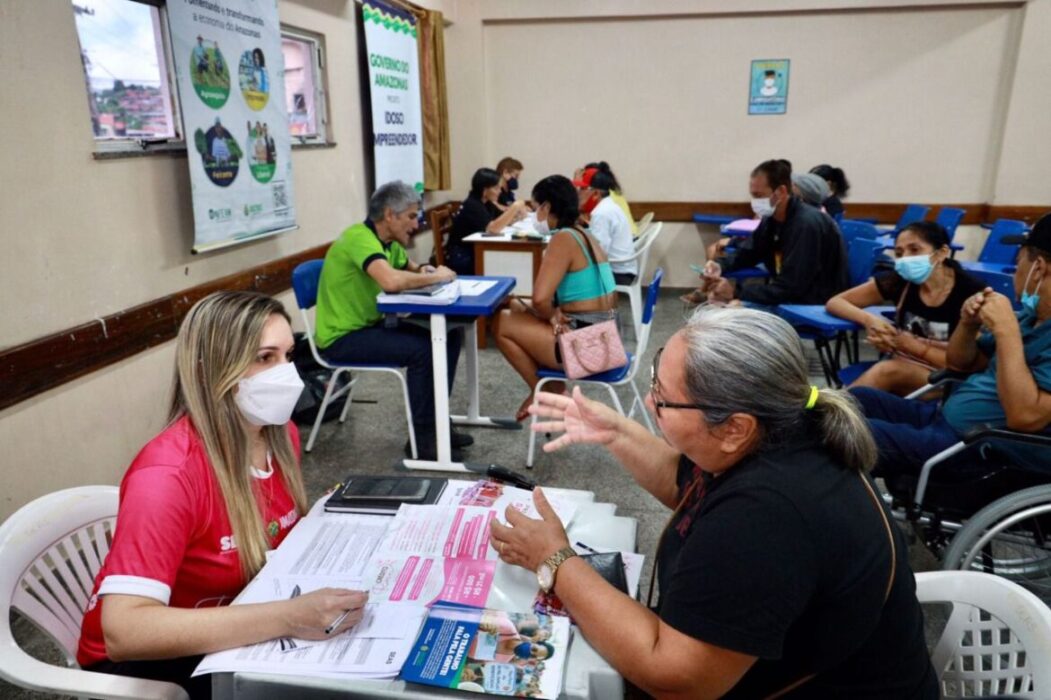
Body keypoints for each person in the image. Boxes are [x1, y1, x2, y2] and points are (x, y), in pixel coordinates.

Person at [491, 306, 938, 698]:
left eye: (663, 399)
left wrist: (556, 560)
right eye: (654, 380)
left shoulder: (767, 515)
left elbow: (675, 677)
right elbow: (683, 484)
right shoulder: (785, 426)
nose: (649, 401)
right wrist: (616, 432)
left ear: (733, 428)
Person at [76, 292, 369, 698]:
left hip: (240, 613)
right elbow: (126, 632)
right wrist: (289, 617)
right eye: (265, 358)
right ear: (214, 369)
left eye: (288, 355)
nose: (287, 375)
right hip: (148, 665)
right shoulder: (167, 476)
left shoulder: (281, 435)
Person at [852, 212, 1051, 478]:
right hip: (944, 421)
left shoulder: (1017, 326)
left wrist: (1006, 331)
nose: (1016, 273)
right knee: (854, 401)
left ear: (1038, 268)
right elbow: (960, 363)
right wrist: (967, 324)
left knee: (838, 435)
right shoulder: (1030, 318)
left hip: (975, 450)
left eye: (1018, 264)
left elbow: (1025, 416)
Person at [314, 181, 472, 461]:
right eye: (411, 216)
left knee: (449, 334)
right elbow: (392, 280)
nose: (416, 223)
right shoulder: (358, 238)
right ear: (389, 215)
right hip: (342, 338)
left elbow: (411, 270)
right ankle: (423, 441)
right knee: (423, 351)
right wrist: (436, 277)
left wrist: (427, 270)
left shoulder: (388, 244)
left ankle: (438, 424)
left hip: (369, 326)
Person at [494, 175, 618, 422]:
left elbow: (541, 299)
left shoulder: (562, 238)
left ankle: (543, 391)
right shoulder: (585, 234)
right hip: (607, 339)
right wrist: (541, 311)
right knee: (516, 310)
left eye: (535, 207)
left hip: (587, 347)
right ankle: (551, 389)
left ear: (547, 207)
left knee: (501, 323)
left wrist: (549, 316)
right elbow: (560, 302)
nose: (534, 215)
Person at [827, 221, 986, 395]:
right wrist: (871, 321)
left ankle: (833, 415)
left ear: (941, 253)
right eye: (899, 253)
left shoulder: (970, 295)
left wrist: (912, 347)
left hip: (946, 378)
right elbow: (836, 302)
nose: (906, 259)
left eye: (915, 250)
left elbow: (969, 365)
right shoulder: (900, 282)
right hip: (904, 365)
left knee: (885, 373)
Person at [705, 159, 849, 307]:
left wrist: (736, 291)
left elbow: (792, 287)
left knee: (732, 311)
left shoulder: (806, 225)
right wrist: (720, 266)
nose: (755, 202)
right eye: (753, 195)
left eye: (759, 195)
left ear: (781, 192)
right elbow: (749, 252)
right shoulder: (772, 218)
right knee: (717, 304)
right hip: (790, 294)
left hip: (815, 300)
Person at [446, 167, 531, 275]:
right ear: (484, 189)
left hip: (476, 249)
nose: (499, 191)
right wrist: (515, 207)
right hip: (463, 256)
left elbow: (502, 220)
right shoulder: (472, 205)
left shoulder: (486, 202)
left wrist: (518, 215)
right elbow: (493, 229)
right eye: (496, 188)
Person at [573, 167, 637, 284]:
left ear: (596, 193)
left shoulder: (601, 213)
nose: (578, 193)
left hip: (617, 273)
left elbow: (599, 253)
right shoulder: (608, 205)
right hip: (623, 269)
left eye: (582, 189)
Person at [580, 161, 637, 236]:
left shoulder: (602, 210)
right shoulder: (610, 196)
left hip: (630, 236)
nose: (579, 192)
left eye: (583, 189)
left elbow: (599, 246)